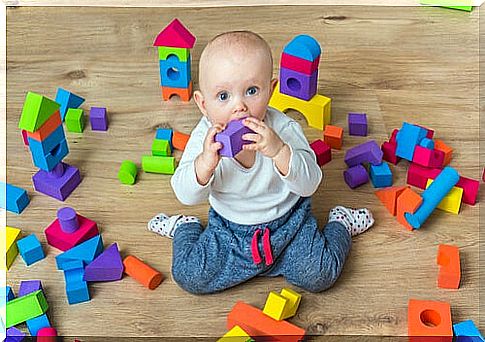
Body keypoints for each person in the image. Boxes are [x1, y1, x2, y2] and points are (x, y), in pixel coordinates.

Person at [148, 31, 374, 294]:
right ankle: (185, 227)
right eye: (223, 96)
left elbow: (311, 183)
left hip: (289, 223)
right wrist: (205, 164)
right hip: (229, 230)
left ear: (271, 90)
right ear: (203, 103)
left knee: (320, 274)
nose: (239, 106)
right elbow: (184, 193)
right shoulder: (205, 139)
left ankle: (341, 222)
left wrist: (279, 151)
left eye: (252, 91)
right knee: (188, 276)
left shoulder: (284, 129)